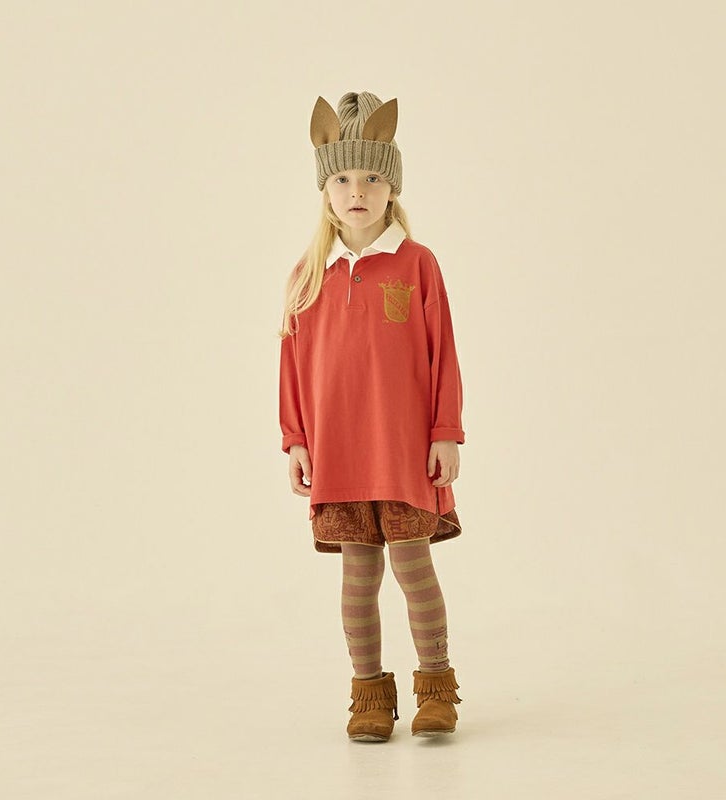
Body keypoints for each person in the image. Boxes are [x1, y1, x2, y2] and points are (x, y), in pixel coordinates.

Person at [278, 91, 465, 742]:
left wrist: (445, 432)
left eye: (371, 178)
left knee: (414, 570)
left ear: (392, 186)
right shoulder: (309, 274)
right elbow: (291, 364)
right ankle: (368, 697)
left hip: (403, 449)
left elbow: (443, 353)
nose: (356, 191)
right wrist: (296, 440)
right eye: (342, 179)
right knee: (358, 577)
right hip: (339, 453)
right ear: (325, 190)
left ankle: (435, 688)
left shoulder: (417, 264)